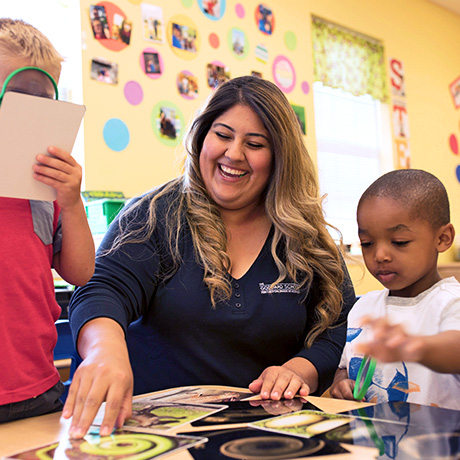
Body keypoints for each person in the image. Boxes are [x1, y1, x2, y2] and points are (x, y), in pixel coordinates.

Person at [65, 75, 356, 438]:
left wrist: (301, 368)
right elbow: (103, 289)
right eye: (222, 135)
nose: (234, 153)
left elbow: (339, 326)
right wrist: (104, 351)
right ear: (201, 137)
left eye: (255, 143)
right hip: (154, 434)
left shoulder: (306, 237)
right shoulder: (155, 214)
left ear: (280, 158)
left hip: (265, 436)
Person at [0, 19, 95, 422]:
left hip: (37, 391)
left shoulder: (45, 192)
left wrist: (71, 202)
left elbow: (80, 272)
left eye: (43, 104)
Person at [329, 169, 460, 409]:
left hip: (439, 445)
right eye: (367, 244)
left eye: (399, 242)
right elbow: (345, 367)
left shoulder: (451, 302)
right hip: (375, 444)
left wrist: (416, 347)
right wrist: (341, 383)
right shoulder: (364, 307)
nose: (379, 255)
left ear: (442, 238)